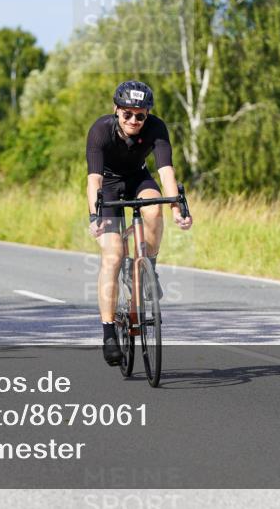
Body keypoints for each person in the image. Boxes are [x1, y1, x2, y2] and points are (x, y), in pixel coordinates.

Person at [85, 81, 193, 366]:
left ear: (148, 115)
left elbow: (166, 172)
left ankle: (148, 268)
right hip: (108, 186)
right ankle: (109, 332)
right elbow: (93, 179)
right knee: (113, 256)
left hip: (138, 179)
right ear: (116, 110)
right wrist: (95, 216)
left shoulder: (156, 128)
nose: (134, 120)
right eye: (127, 114)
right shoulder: (100, 130)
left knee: (154, 210)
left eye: (140, 115)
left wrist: (177, 209)